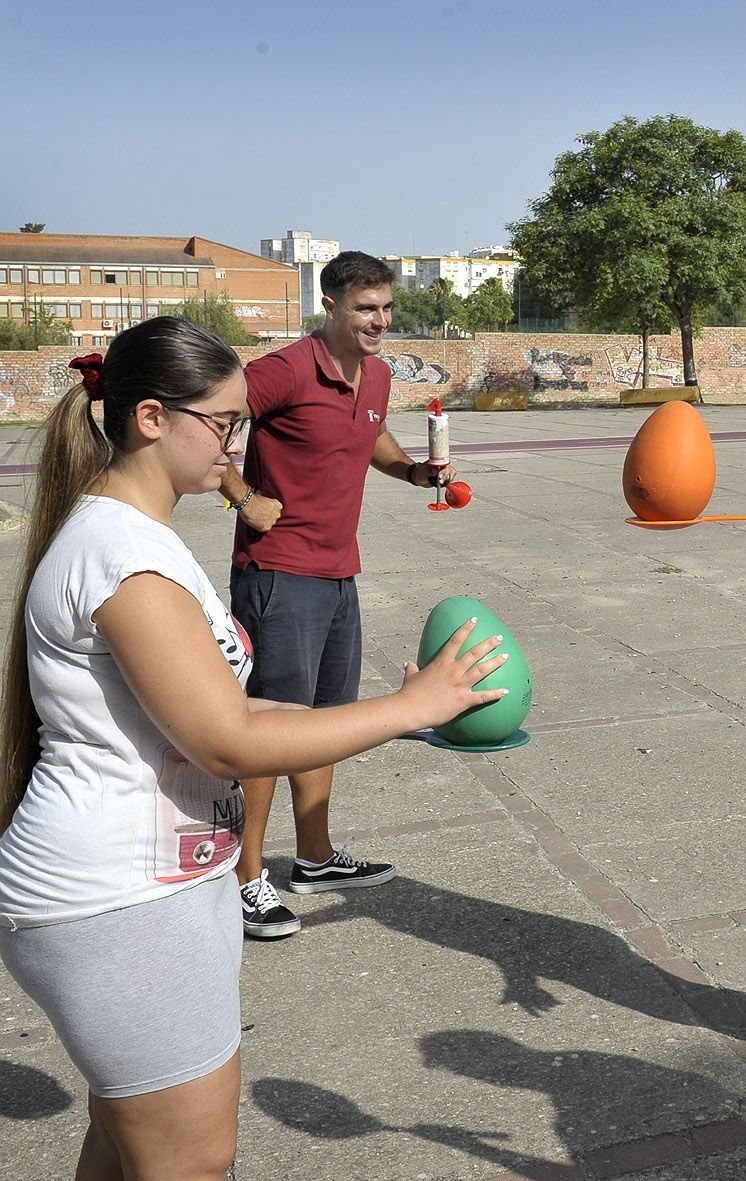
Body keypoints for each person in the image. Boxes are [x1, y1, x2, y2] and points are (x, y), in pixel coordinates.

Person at [0, 319, 506, 1181]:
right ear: (152, 419)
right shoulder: (124, 554)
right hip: (121, 901)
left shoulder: (135, 535)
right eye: (226, 422)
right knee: (195, 1161)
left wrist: (401, 713)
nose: (241, 444)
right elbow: (227, 740)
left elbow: (227, 706)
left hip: (140, 890)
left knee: (128, 1144)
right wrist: (402, 707)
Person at [219, 251, 453, 939]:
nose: (380, 320)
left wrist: (412, 471)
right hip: (278, 574)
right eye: (365, 309)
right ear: (329, 306)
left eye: (386, 307)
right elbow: (205, 418)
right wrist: (241, 495)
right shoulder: (286, 369)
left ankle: (315, 857)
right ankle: (244, 879)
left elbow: (371, 431)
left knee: (325, 720)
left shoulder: (376, 372)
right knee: (268, 730)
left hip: (338, 572)